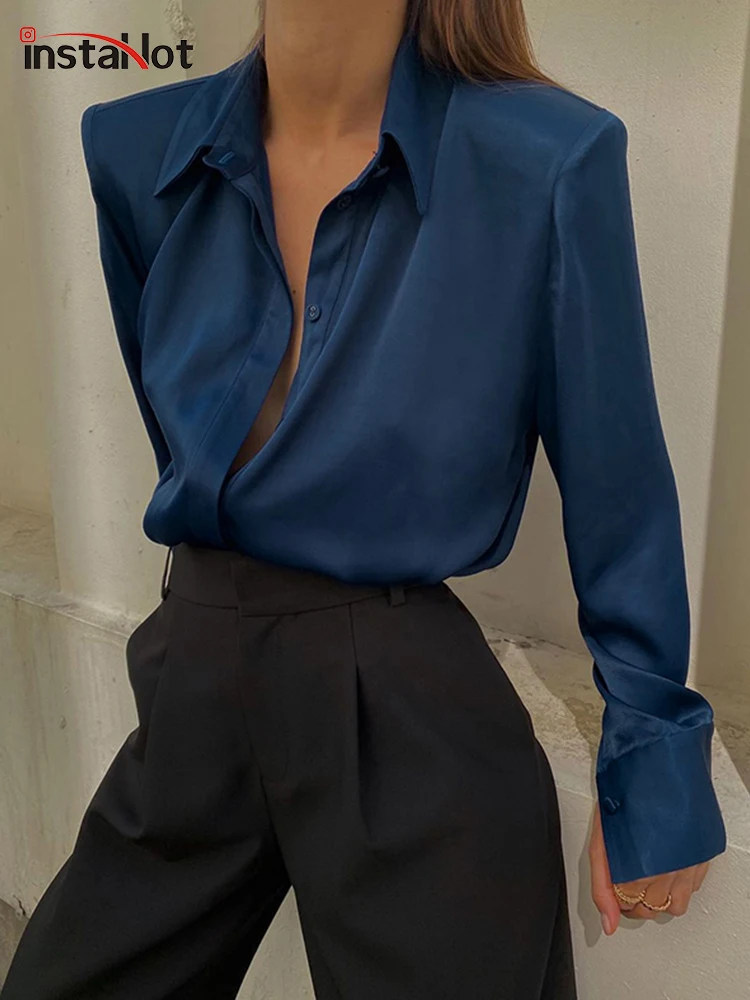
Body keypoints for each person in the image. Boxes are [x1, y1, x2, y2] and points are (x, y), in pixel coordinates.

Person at [1, 1, 727, 998]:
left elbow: (620, 481)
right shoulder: (136, 148)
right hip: (197, 671)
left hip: (405, 705)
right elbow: (180, 438)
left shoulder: (544, 158)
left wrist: (654, 756)